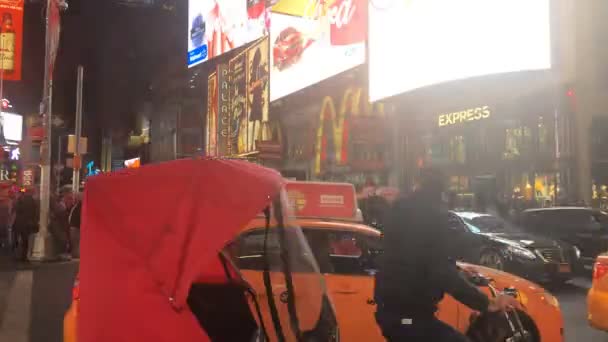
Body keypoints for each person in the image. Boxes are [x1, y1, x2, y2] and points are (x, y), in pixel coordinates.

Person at [374, 168, 521, 341]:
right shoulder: (435, 216)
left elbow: (416, 258)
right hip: (410, 316)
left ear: (418, 183)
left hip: (393, 311)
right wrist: (487, 303)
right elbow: (440, 271)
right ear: (442, 190)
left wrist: (455, 269)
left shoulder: (400, 209)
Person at [13, 188, 38, 261]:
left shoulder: (20, 200)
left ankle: (21, 256)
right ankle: (25, 255)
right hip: (28, 223)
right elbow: (34, 211)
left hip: (20, 224)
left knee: (19, 240)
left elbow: (17, 209)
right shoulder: (32, 200)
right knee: (25, 241)